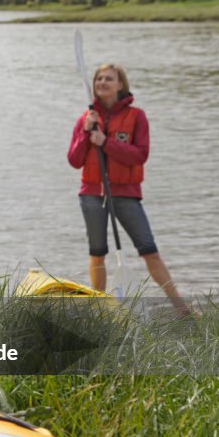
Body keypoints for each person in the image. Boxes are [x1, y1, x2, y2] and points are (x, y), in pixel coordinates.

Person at [67, 63, 189, 314]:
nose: (102, 82)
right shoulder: (86, 118)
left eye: (109, 78)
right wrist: (86, 133)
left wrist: (105, 142)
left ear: (120, 84)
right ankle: (99, 310)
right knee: (97, 253)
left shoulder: (137, 117)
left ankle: (181, 308)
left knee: (149, 250)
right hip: (92, 194)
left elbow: (139, 155)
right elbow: (74, 159)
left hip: (125, 194)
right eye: (99, 78)